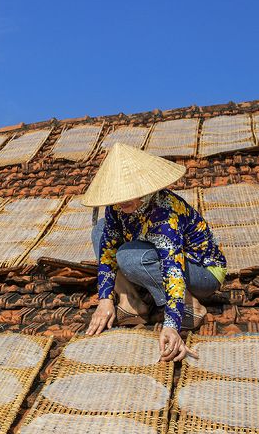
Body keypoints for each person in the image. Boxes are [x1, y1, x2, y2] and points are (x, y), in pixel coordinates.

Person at [82, 142, 226, 362]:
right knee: (100, 231)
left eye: (127, 197)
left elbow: (173, 269)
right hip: (161, 261)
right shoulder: (116, 208)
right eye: (117, 197)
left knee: (129, 257)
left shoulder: (165, 213)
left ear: (143, 189)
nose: (121, 204)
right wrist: (105, 300)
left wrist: (171, 324)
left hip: (202, 271)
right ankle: (131, 301)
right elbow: (108, 250)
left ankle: (190, 307)